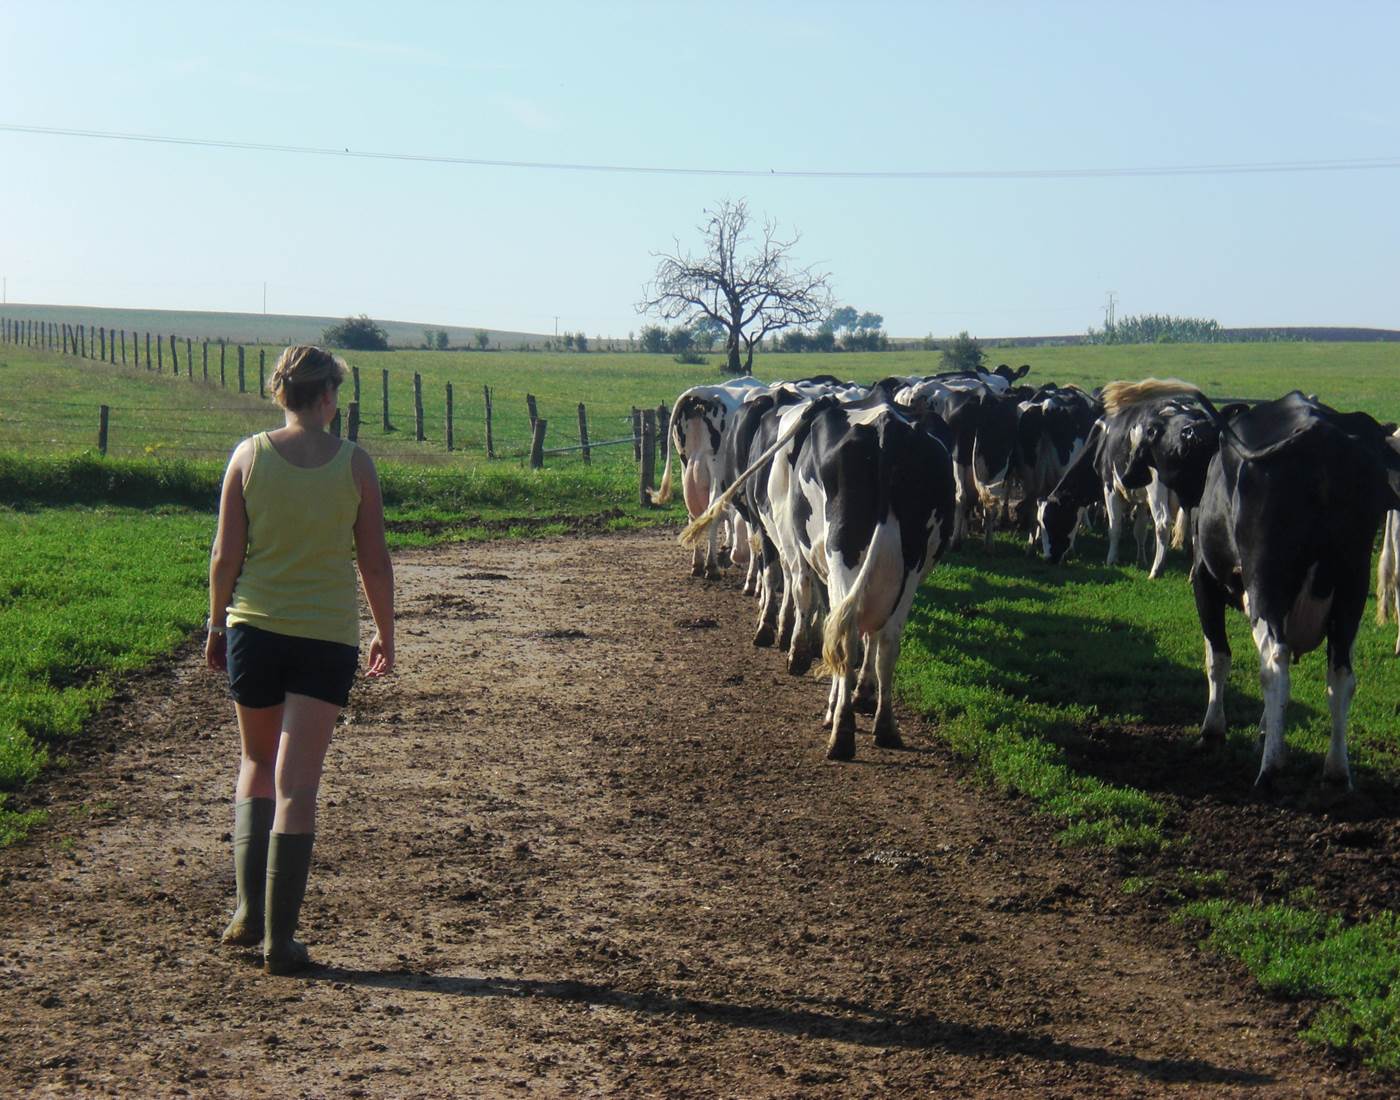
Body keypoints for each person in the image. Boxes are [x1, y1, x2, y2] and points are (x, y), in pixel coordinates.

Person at [205, 344, 395, 975]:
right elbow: (373, 562)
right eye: (335, 394)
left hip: (252, 633)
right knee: (298, 786)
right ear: (324, 397)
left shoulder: (248, 456)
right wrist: (385, 632)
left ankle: (246, 913)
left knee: (256, 764)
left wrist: (214, 625)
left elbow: (225, 559)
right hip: (324, 640)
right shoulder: (355, 465)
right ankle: (280, 943)